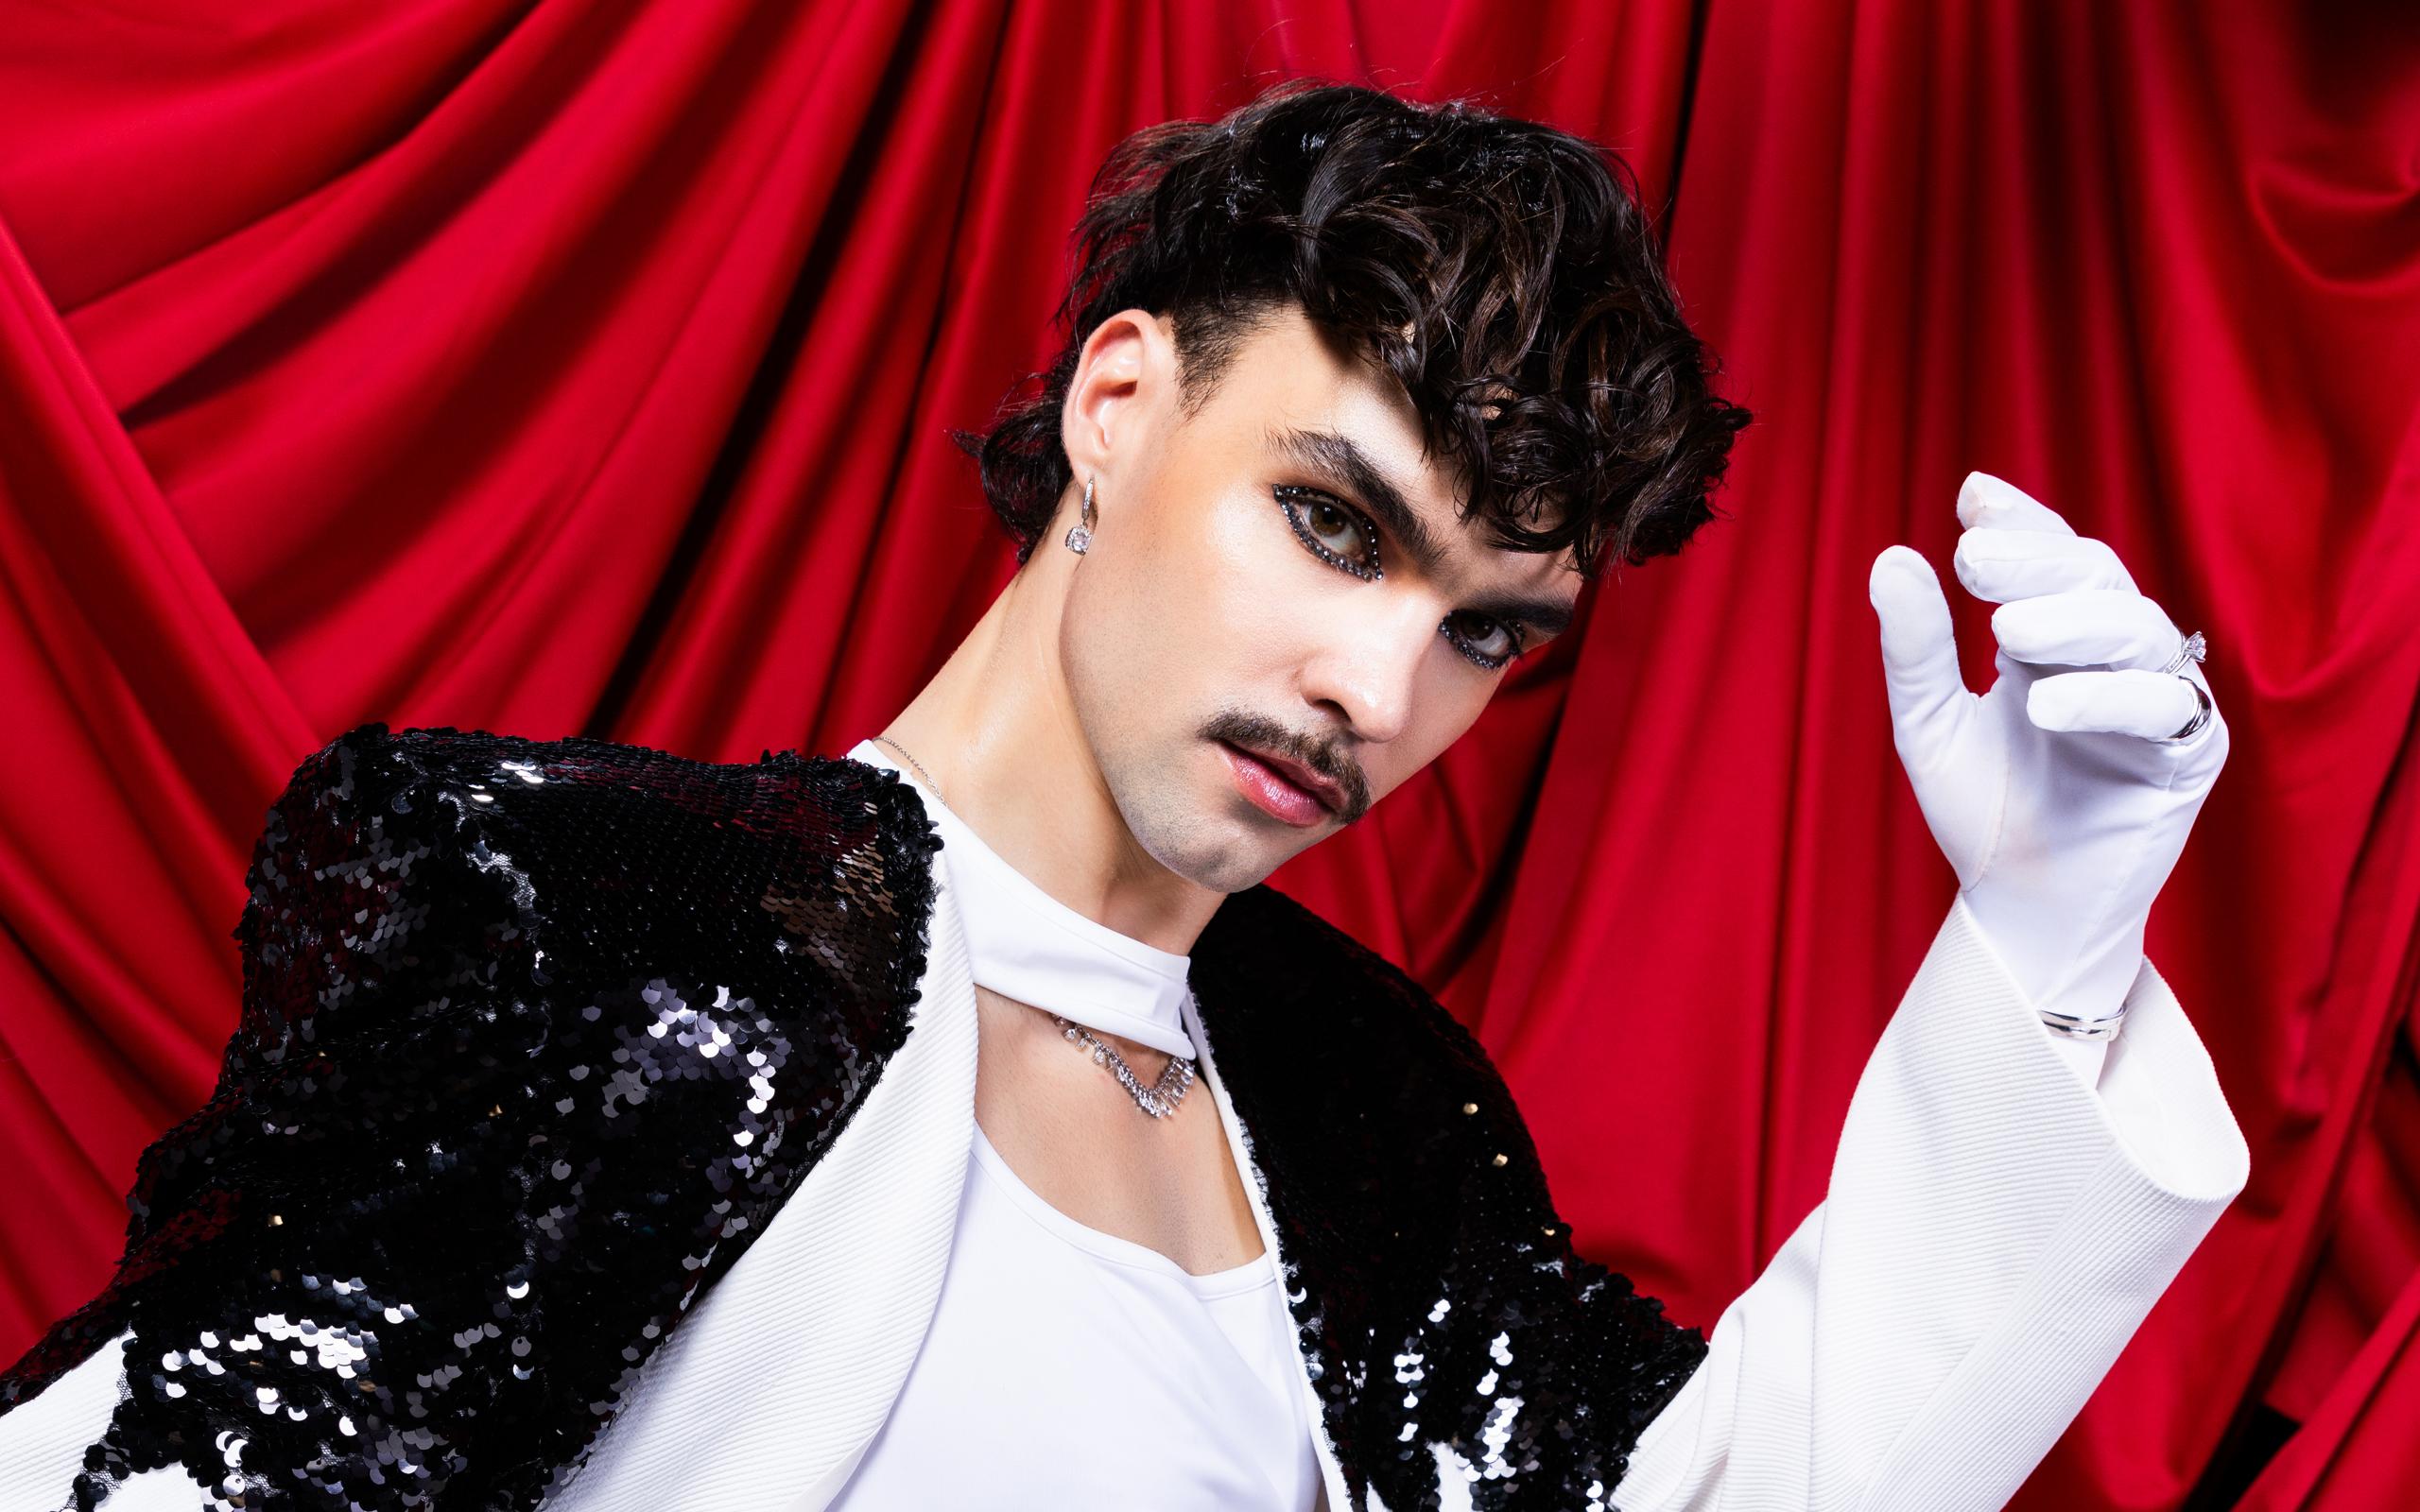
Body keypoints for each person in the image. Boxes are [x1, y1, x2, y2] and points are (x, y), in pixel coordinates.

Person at [0, 79, 2246, 1511]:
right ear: (1113, 400)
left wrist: (2045, 954)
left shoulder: (1375, 1116)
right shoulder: (592, 914)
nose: (1375, 684)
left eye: (1486, 626)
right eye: (1337, 522)